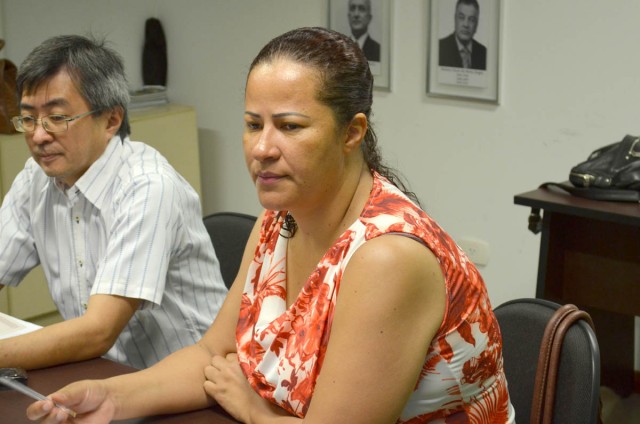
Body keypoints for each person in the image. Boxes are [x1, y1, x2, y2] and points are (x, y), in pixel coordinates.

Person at [27, 27, 514, 423]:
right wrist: (108, 397)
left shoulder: (389, 257)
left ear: (353, 132)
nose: (262, 148)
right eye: (253, 124)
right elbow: (208, 357)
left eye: (291, 126)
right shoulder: (278, 222)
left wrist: (253, 408)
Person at [0, 35, 227, 371]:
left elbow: (98, 332)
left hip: (193, 390)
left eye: (57, 118)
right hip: (100, 377)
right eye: (29, 119)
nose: (38, 136)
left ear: (110, 120)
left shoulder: (148, 187)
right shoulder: (37, 177)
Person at [439, 0, 487, 70]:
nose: (466, 24)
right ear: (455, 19)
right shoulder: (440, 48)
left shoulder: (484, 54)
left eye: (471, 20)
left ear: (476, 24)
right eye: (461, 17)